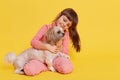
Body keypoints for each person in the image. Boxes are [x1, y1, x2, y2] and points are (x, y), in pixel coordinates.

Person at [24, 8, 81, 76]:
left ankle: (50, 66)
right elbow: (33, 42)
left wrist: (59, 45)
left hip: (55, 58)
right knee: (29, 70)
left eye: (68, 25)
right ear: (59, 15)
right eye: (64, 20)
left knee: (67, 68)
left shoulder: (65, 34)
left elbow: (65, 52)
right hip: (40, 58)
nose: (64, 24)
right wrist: (47, 47)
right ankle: (46, 66)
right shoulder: (46, 27)